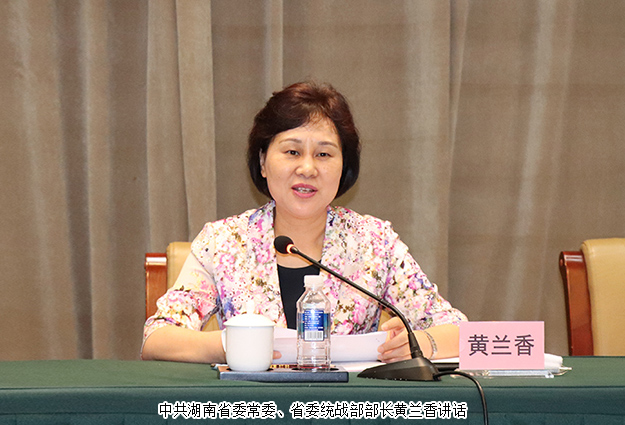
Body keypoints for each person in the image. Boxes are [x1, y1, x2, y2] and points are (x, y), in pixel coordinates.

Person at [142, 81, 467, 364]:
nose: (308, 169)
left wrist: (420, 343)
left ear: (343, 167)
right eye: (292, 152)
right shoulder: (224, 242)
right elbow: (156, 339)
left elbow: (461, 332)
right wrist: (231, 346)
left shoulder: (374, 242)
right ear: (263, 161)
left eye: (324, 154)